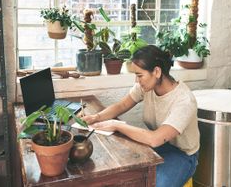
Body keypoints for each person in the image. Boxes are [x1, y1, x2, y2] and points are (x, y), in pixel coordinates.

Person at [81, 45, 199, 187]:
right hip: (158, 146)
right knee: (124, 173)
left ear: (156, 71)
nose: (137, 81)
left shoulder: (184, 100)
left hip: (182, 155)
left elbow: (155, 139)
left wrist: (117, 125)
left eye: (139, 75)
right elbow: (122, 106)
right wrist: (96, 117)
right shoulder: (147, 86)